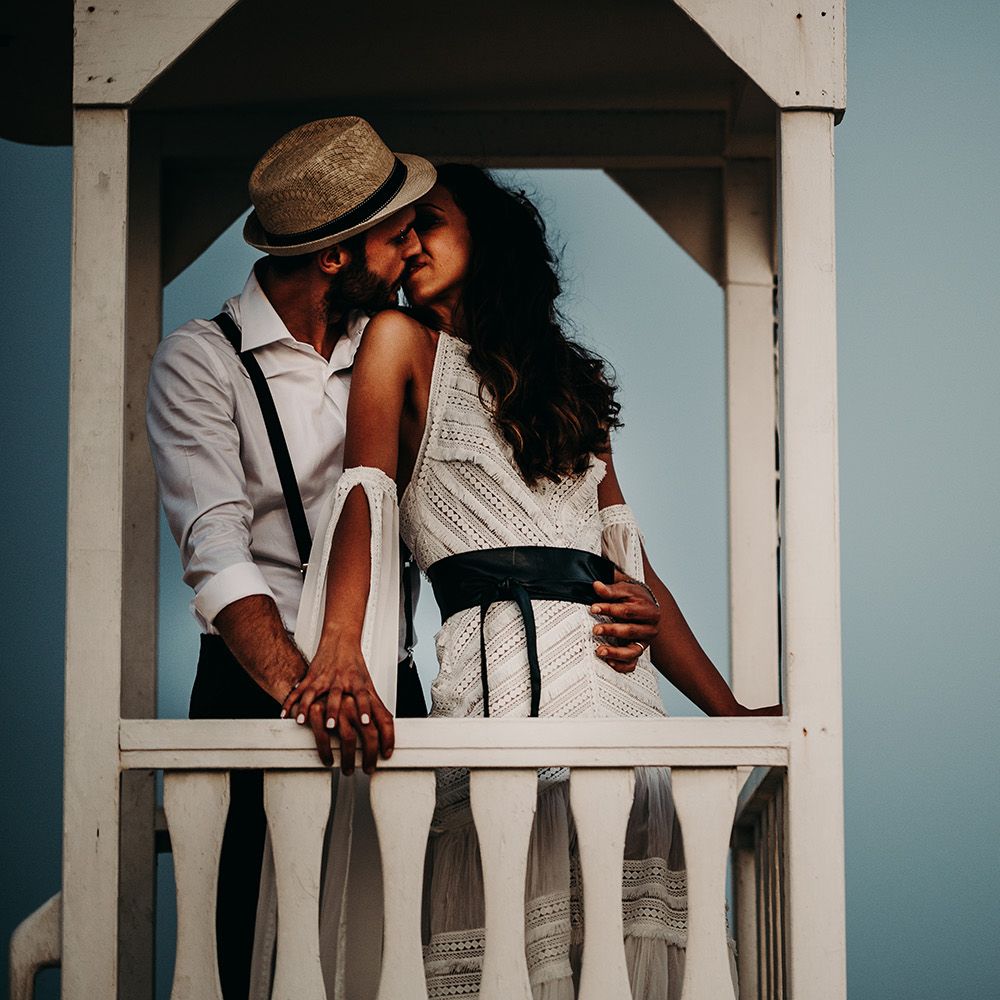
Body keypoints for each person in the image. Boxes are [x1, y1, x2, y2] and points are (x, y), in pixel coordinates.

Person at [147, 122, 661, 999]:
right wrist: (311, 687)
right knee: (254, 947)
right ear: (341, 256)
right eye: (395, 229)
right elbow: (219, 557)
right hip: (258, 683)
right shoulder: (202, 361)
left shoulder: (401, 343)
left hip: (393, 684)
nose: (410, 242)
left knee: (403, 951)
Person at [282, 164, 780, 998]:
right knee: (511, 952)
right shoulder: (400, 344)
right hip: (500, 693)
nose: (407, 248)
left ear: (489, 238)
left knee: (621, 959)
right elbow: (364, 496)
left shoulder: (569, 383)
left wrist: (722, 707)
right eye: (399, 233)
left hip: (619, 700)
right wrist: (338, 649)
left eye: (429, 223)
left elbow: (628, 554)